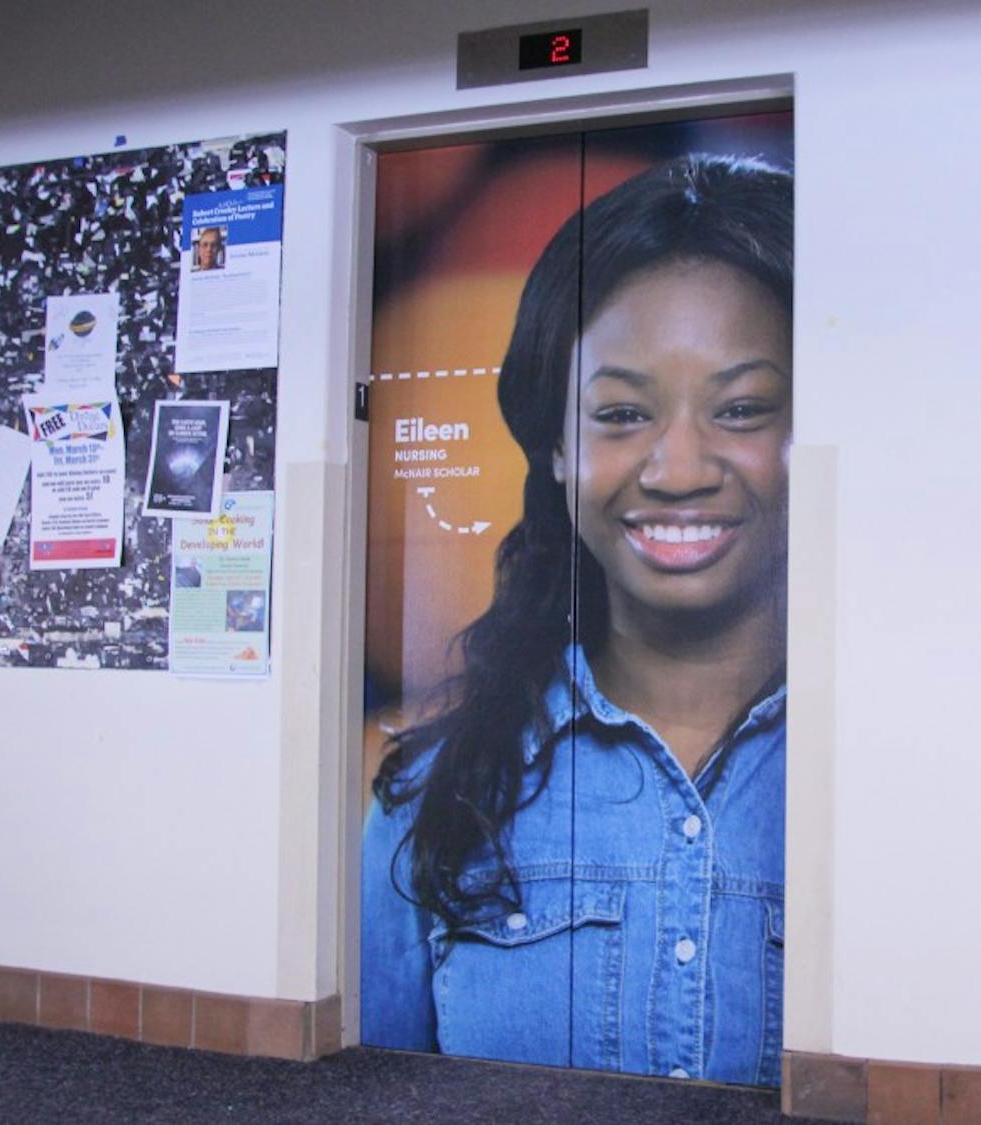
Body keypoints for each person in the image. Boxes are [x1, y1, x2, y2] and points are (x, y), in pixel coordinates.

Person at [362, 153, 793, 1087]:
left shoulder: (904, 783)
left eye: (744, 408)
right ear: (558, 447)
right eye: (623, 413)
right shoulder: (430, 796)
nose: (677, 468)